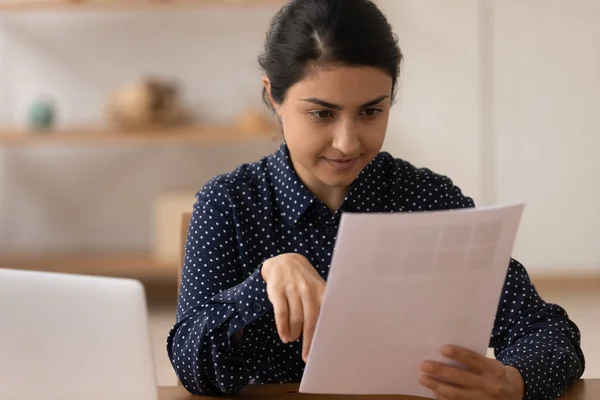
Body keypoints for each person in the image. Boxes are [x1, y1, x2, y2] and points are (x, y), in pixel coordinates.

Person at [167, 1, 585, 399]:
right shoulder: (229, 203)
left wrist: (516, 381)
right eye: (322, 114)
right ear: (274, 97)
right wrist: (263, 283)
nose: (347, 142)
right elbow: (189, 364)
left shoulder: (429, 200)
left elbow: (548, 330)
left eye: (370, 112)